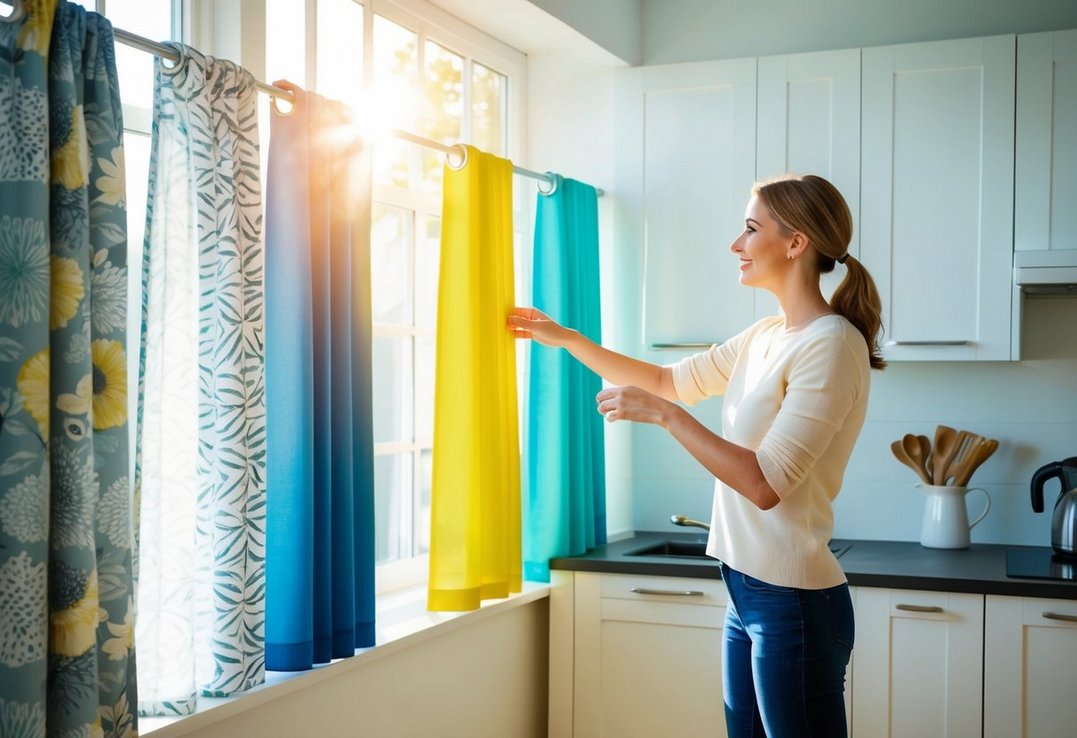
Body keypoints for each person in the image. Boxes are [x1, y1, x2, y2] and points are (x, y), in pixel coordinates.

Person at [508, 173, 885, 738]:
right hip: (745, 587)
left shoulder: (830, 345)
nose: (736, 243)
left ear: (796, 242)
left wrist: (666, 417)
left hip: (794, 603)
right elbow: (666, 380)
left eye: (751, 228)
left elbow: (765, 484)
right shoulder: (764, 335)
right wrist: (567, 339)